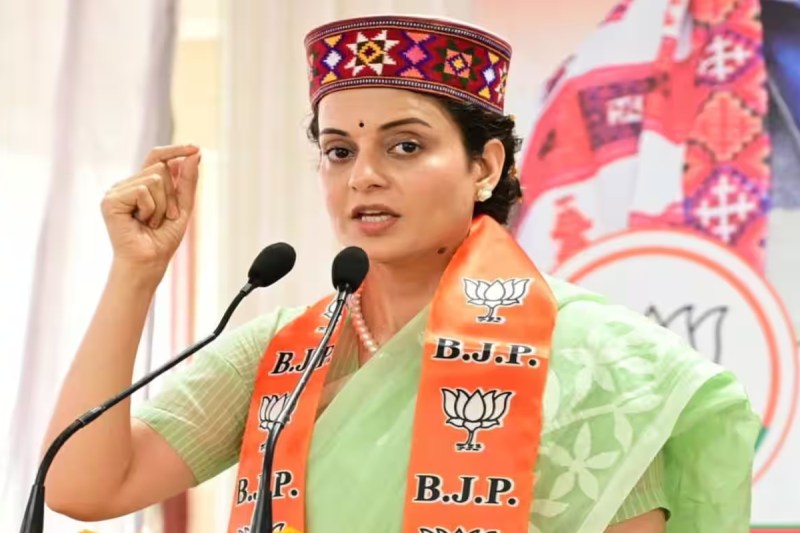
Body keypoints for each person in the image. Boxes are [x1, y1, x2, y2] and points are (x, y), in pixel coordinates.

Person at [42, 14, 760, 533]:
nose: (364, 177)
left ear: (485, 167)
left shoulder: (596, 359)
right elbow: (81, 486)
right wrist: (135, 274)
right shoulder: (285, 352)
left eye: (406, 146)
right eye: (339, 152)